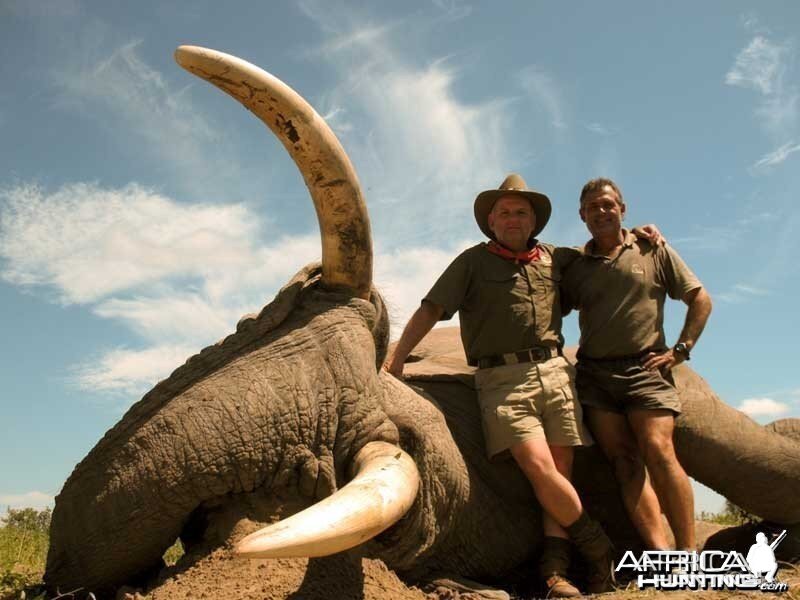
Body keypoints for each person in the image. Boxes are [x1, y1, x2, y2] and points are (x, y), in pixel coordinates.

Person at [386, 174, 652, 597]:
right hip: (502, 380)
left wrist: (635, 235)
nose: (513, 218)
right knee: (539, 468)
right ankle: (599, 552)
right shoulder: (471, 262)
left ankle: (556, 572)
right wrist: (396, 357)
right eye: (505, 212)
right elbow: (432, 307)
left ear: (534, 221)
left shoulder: (556, 258)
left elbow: (601, 252)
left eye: (521, 212)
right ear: (491, 221)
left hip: (556, 373)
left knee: (560, 473)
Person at [561, 177, 712, 554]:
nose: (601, 211)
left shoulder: (653, 249)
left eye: (608, 204)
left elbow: (701, 299)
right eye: (593, 207)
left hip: (646, 372)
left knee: (658, 450)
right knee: (625, 463)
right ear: (582, 215)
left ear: (622, 210)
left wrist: (681, 349)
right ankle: (661, 555)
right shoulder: (576, 266)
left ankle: (689, 554)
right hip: (596, 376)